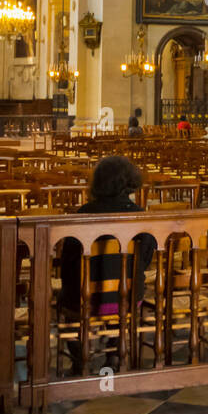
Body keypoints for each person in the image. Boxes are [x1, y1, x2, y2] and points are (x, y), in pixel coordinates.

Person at [58, 155, 153, 372]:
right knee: (121, 291)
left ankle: (79, 359)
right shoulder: (141, 216)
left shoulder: (83, 215)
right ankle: (113, 353)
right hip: (127, 298)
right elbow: (145, 260)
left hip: (87, 299)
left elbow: (69, 264)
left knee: (66, 300)